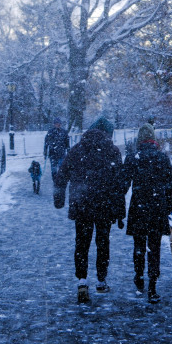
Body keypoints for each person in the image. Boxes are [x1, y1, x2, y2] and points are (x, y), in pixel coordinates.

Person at [54, 116, 123, 304]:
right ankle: (101, 281)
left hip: (81, 204)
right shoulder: (112, 151)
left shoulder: (77, 150)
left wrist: (58, 199)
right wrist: (119, 211)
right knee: (103, 243)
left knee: (82, 243)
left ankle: (82, 281)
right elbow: (119, 184)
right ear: (107, 134)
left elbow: (62, 175)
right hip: (104, 206)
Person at [121, 123, 172, 303]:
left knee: (139, 245)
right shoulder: (162, 158)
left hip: (139, 207)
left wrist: (117, 206)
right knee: (154, 247)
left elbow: (123, 184)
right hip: (157, 207)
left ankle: (139, 277)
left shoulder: (132, 158)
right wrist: (168, 206)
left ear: (139, 140)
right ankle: (153, 284)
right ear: (154, 139)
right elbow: (170, 185)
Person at [43, 117, 69, 182]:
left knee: (62, 169)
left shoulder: (64, 132)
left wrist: (68, 151)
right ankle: (55, 181)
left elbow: (67, 143)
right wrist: (45, 152)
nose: (58, 124)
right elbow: (46, 143)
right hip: (53, 154)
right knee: (54, 170)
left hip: (62, 154)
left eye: (59, 123)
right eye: (57, 123)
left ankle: (60, 181)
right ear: (54, 124)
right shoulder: (50, 132)